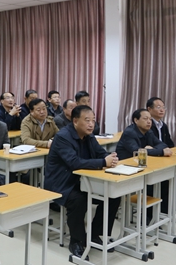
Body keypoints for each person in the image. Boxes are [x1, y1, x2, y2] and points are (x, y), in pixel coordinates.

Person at [44, 105, 120, 259]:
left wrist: (110, 158)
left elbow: (100, 153)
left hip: (83, 181)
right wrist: (103, 162)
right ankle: (76, 241)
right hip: (62, 182)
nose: (91, 124)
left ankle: (94, 235)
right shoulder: (63, 137)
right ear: (75, 121)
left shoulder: (89, 136)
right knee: (79, 200)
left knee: (113, 195)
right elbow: (74, 162)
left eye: (93, 120)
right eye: (87, 120)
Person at [146, 97, 176, 212]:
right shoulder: (148, 125)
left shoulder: (163, 125)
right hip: (154, 160)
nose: (162, 110)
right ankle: (166, 209)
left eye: (163, 107)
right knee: (174, 178)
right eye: (158, 107)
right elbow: (150, 146)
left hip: (165, 158)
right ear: (149, 109)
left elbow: (170, 144)